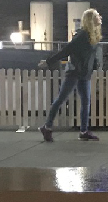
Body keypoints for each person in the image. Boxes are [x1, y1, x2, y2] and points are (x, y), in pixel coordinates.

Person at [38, 8, 104, 142]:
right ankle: (47, 126)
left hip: (84, 73)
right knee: (61, 99)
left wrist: (95, 65)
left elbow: (91, 54)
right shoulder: (81, 35)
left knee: (86, 102)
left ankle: (84, 131)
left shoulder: (93, 35)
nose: (100, 17)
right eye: (97, 15)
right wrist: (49, 61)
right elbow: (67, 50)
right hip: (74, 72)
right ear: (91, 19)